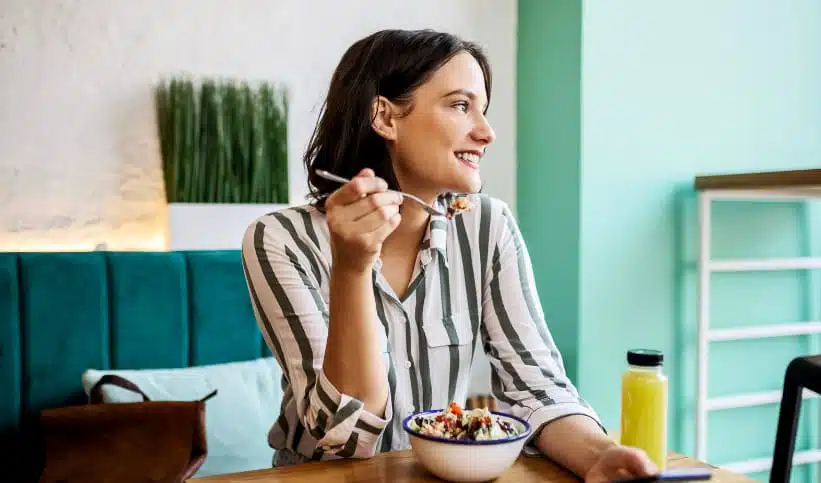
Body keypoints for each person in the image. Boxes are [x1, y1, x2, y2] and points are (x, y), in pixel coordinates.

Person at [241, 28, 658, 482]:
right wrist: (353, 266)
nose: (487, 132)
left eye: (483, 110)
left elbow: (537, 387)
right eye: (461, 106)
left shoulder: (487, 225)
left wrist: (598, 456)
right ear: (385, 116)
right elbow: (344, 438)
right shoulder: (279, 240)